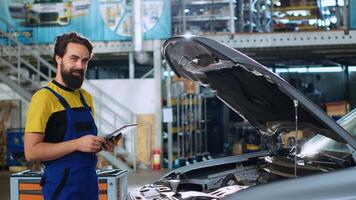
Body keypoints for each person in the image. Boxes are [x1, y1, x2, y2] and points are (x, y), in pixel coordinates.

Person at [24, 32, 117, 200]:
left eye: (85, 61)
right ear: (58, 58)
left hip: (89, 184)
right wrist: (78, 144)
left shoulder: (85, 98)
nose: (80, 66)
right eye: (73, 59)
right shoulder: (44, 98)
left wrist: (101, 144)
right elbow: (31, 152)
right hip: (61, 189)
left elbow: (83, 144)